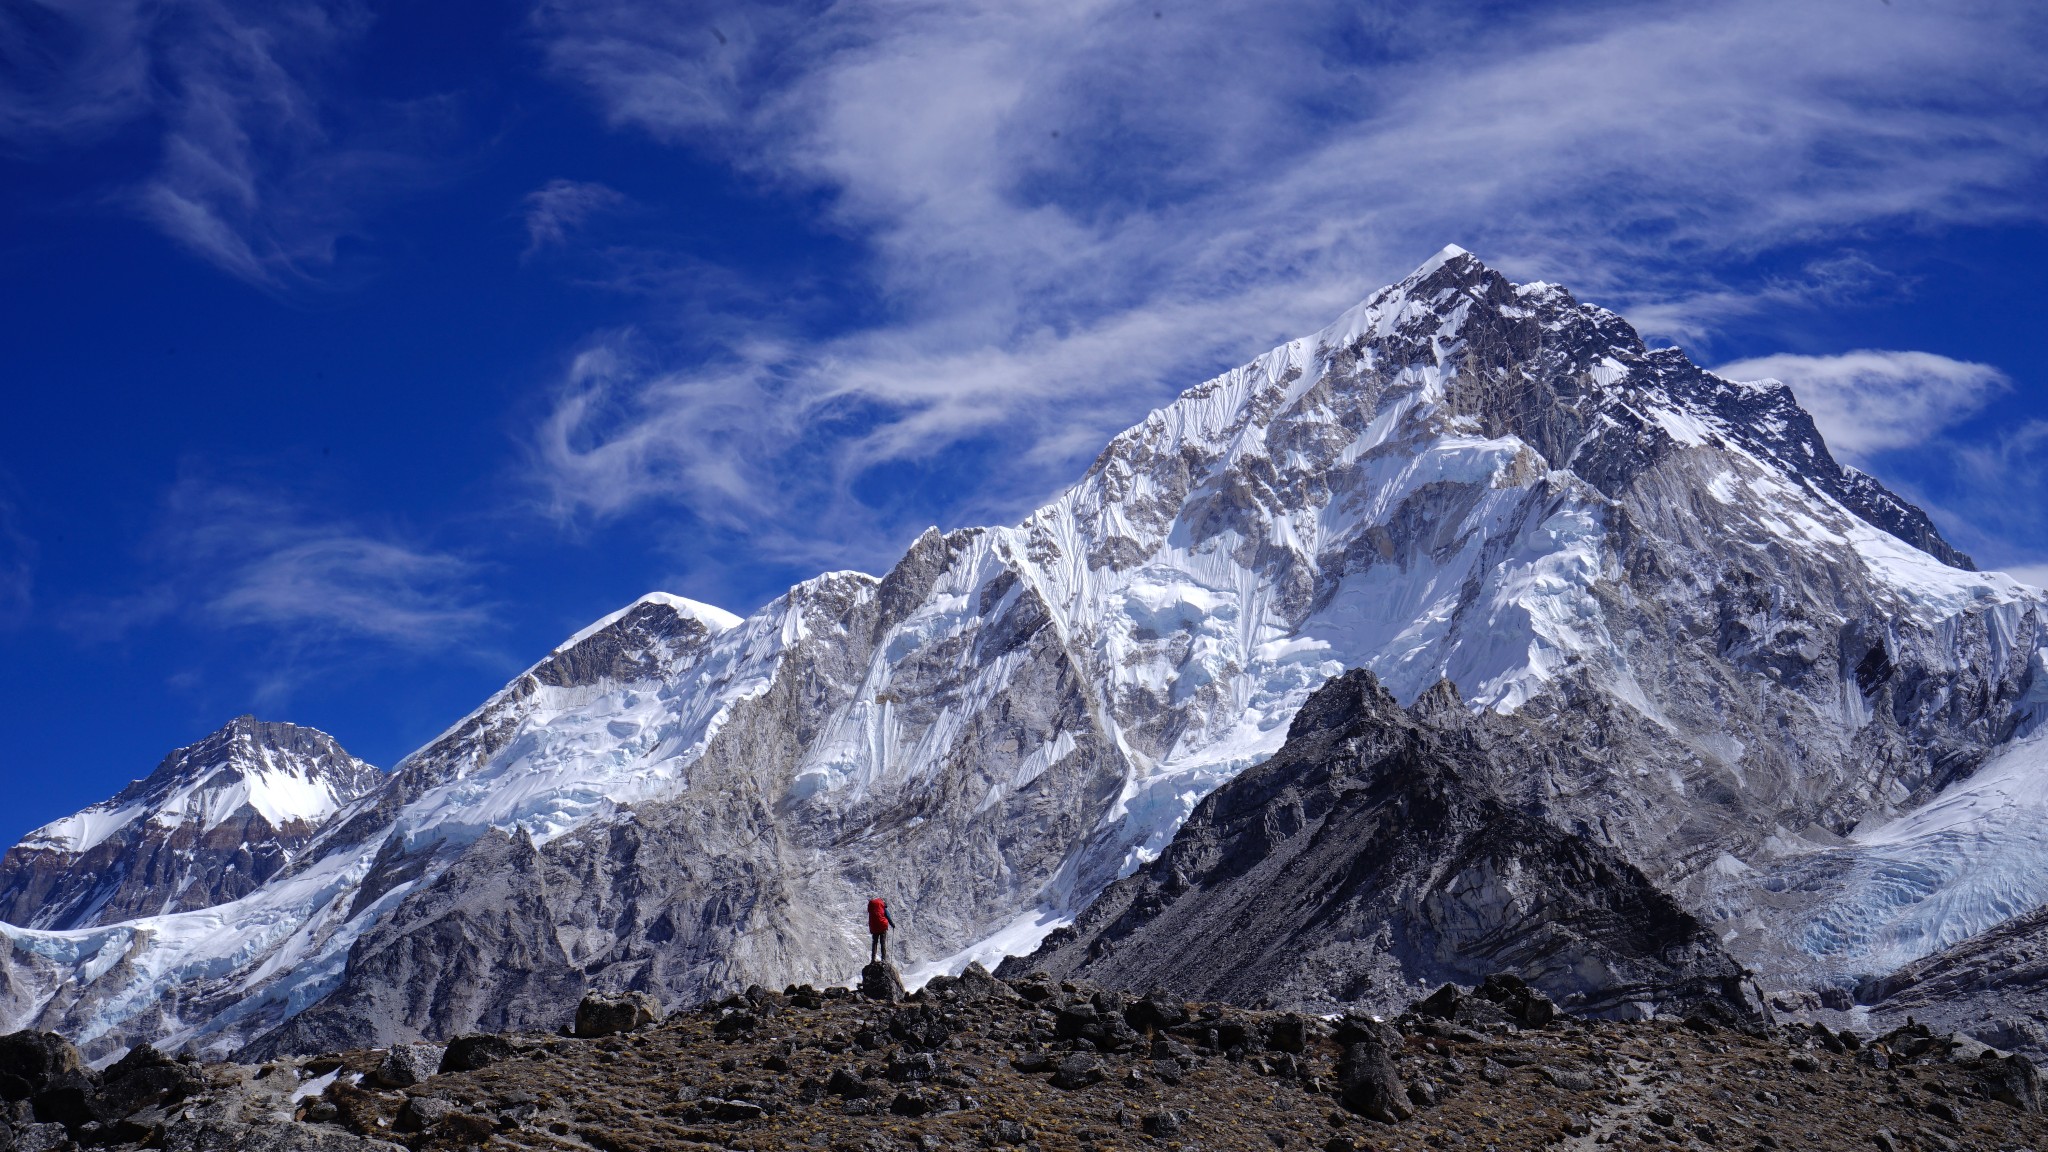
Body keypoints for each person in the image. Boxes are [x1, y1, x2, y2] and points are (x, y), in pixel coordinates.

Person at [867, 896, 891, 963]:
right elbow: (888, 916)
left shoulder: (872, 908)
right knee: (882, 943)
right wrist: (892, 924)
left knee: (874, 943)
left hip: (874, 927)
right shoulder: (883, 908)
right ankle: (883, 959)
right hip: (882, 926)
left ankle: (873, 958)